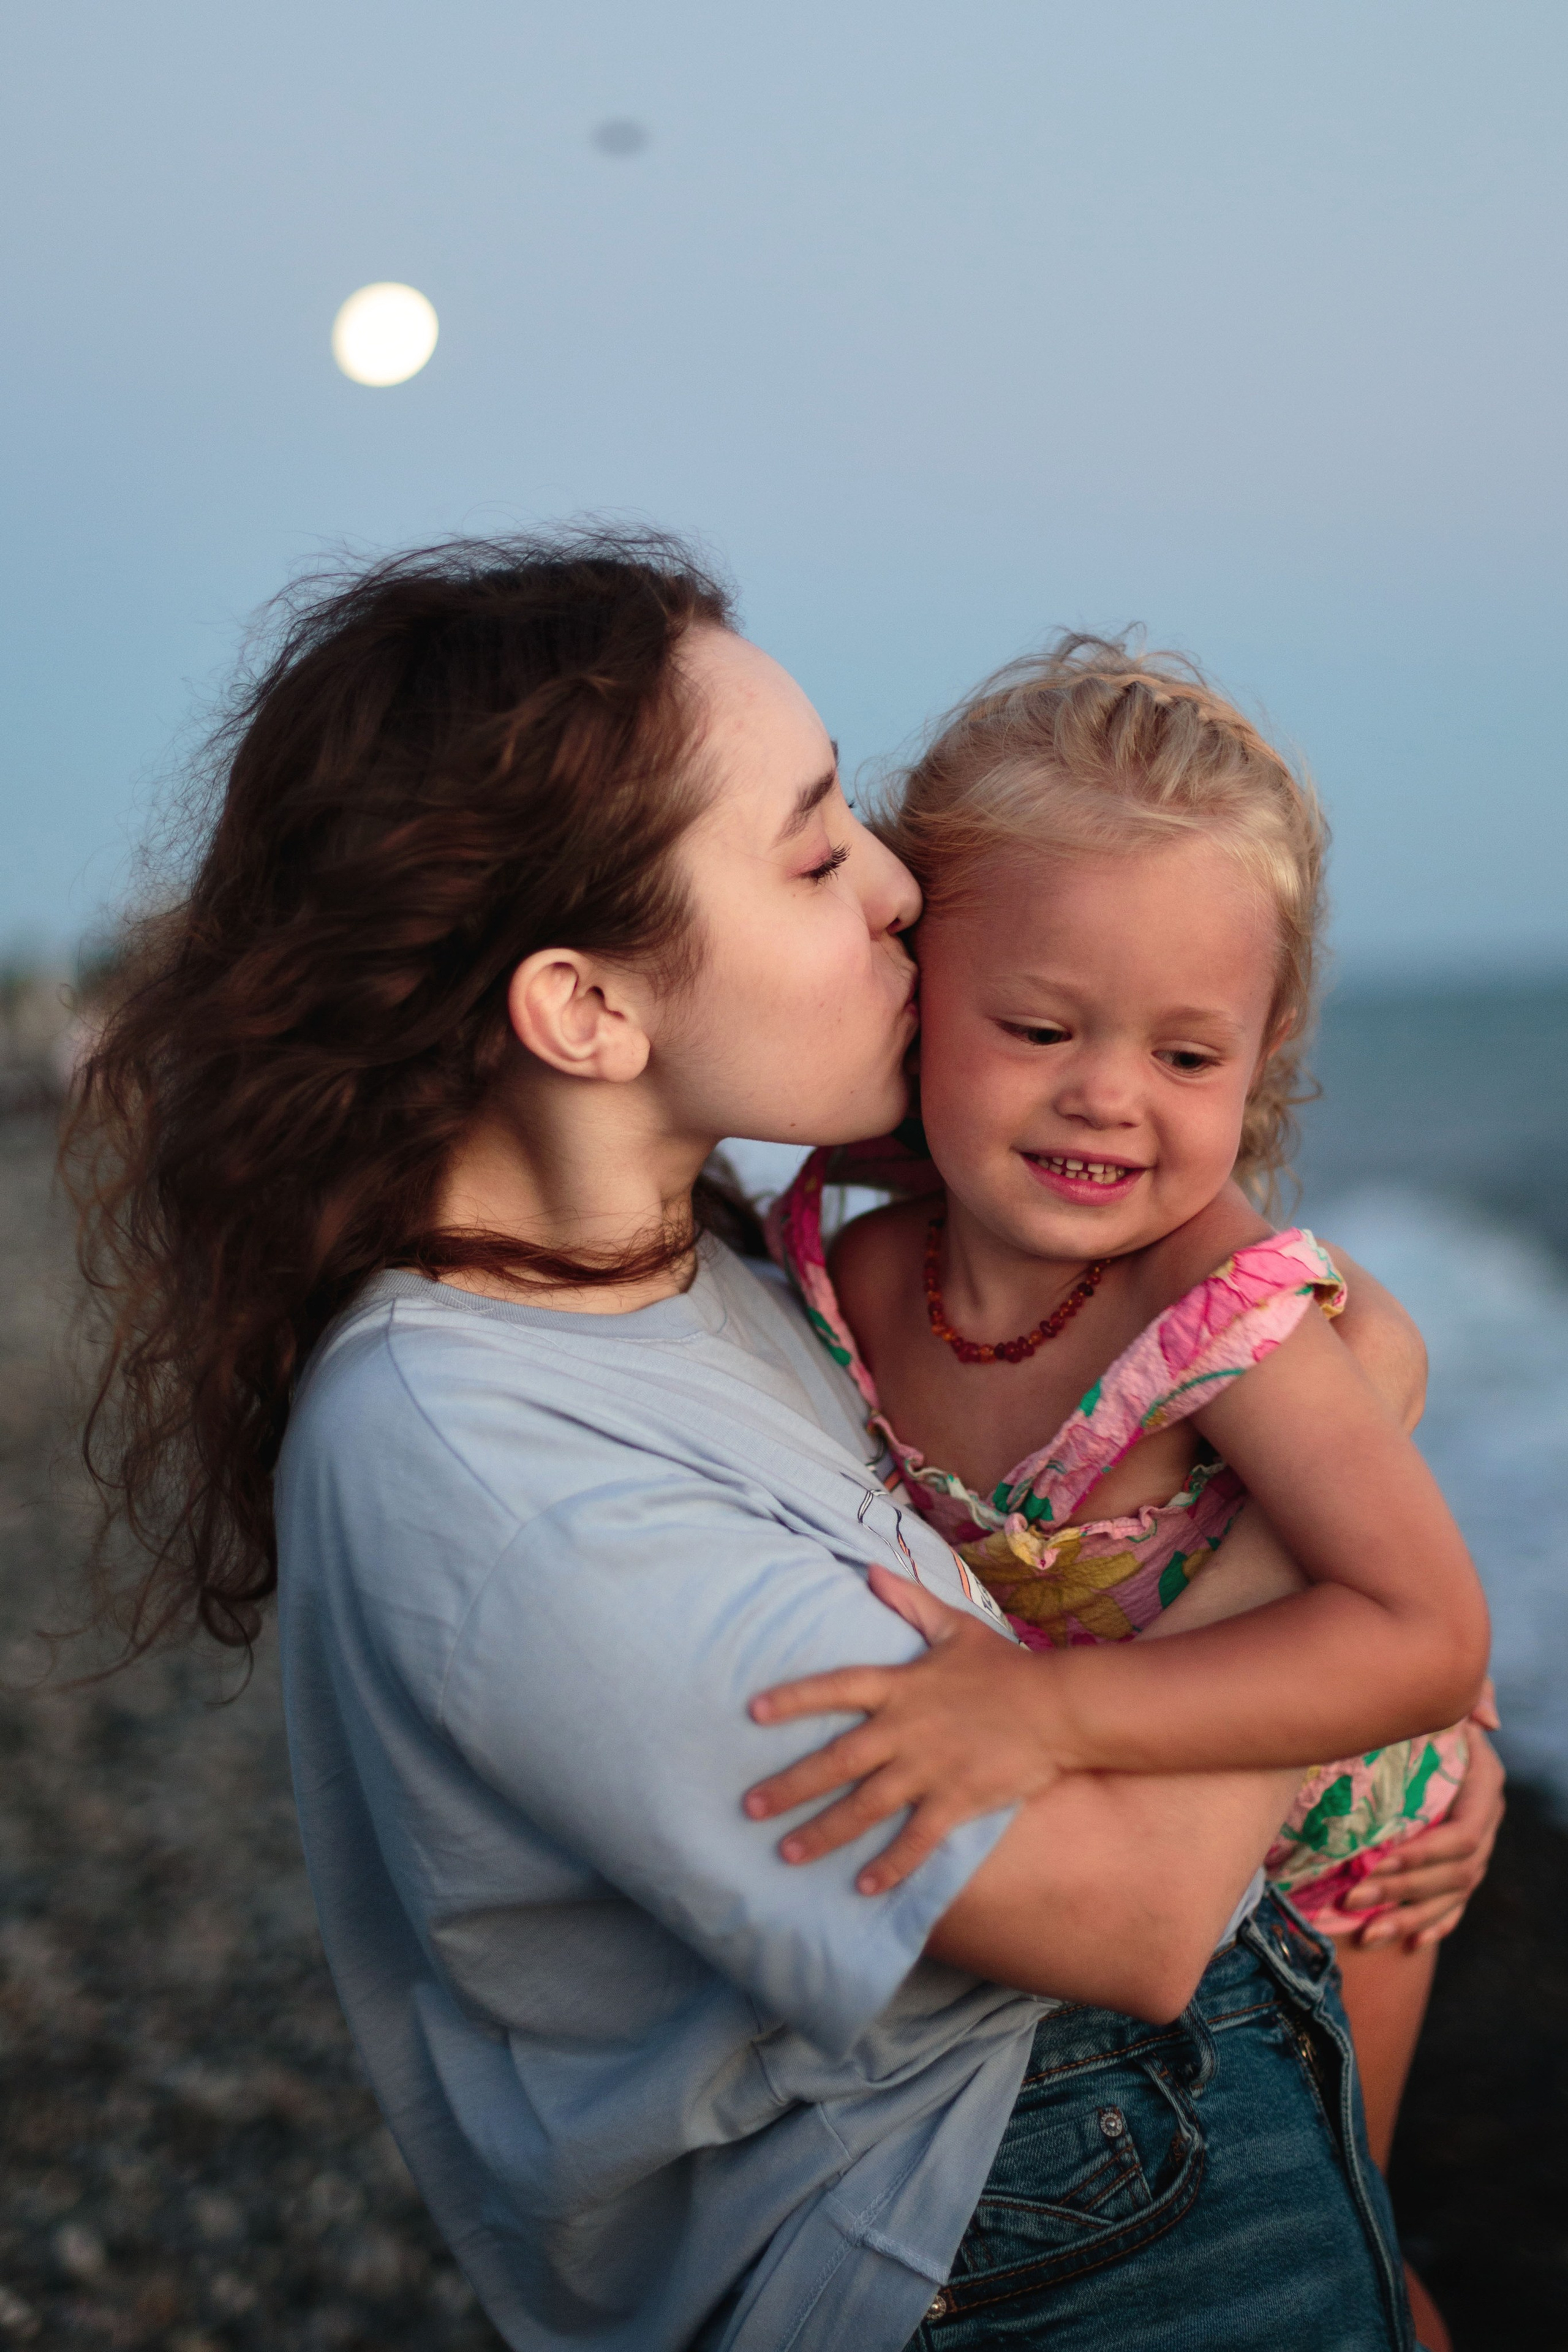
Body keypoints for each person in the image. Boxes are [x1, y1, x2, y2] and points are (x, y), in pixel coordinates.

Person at [67, 533, 1498, 2352]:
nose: (906, 891)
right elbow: (1137, 1923)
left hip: (1101, 2120)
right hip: (1009, 2210)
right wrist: (1341, 1433)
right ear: (586, 1006)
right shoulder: (497, 1471)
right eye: (820, 851)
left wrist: (1299, 1369)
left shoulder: (712, 1264)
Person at [750, 634, 1499, 2347]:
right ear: (914, 985)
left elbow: (1424, 1627)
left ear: (1268, 1046)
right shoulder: (840, 1265)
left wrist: (1050, 1719)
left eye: (1187, 1056)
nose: (1108, 1096)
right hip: (1082, 1847)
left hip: (1334, 1841)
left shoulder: (1218, 1312)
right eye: (1037, 1026)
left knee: (1328, 2250)